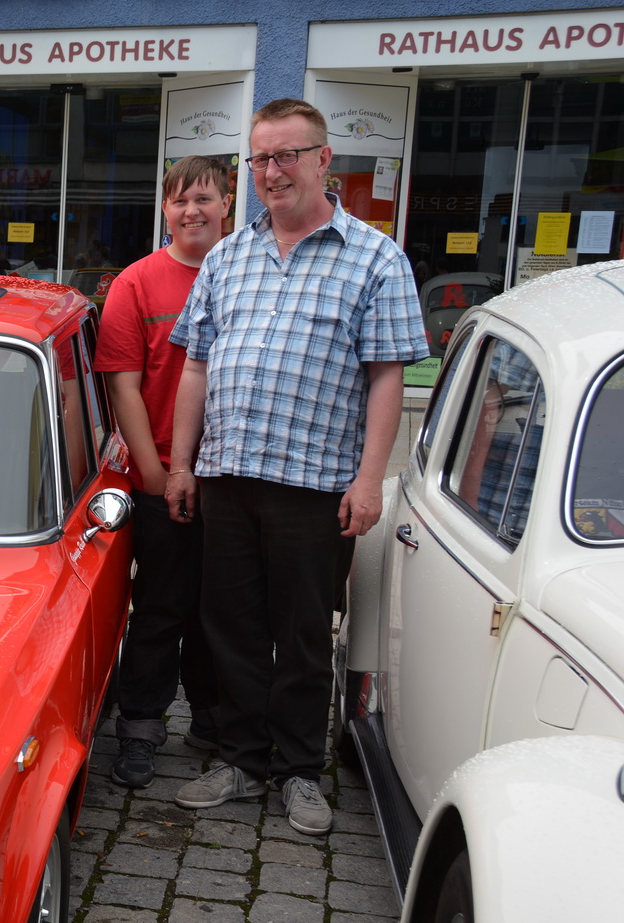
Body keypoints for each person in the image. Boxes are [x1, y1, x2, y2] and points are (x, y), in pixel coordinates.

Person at [164, 99, 426, 835]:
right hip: (228, 475)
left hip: (316, 486)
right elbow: (196, 366)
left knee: (307, 633)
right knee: (233, 627)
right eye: (260, 159)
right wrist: (182, 464)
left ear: (322, 159)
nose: (271, 173)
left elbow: (385, 378)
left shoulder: (374, 257)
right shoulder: (228, 256)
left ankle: (299, 769)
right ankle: (244, 759)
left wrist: (369, 478)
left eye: (286, 156)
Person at [94, 155, 232, 788]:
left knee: (224, 613)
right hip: (162, 473)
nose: (192, 211)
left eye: (203, 199)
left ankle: (216, 722)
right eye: (179, 201)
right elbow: (123, 385)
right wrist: (152, 471)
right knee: (158, 608)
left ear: (227, 204)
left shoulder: (249, 275)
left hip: (235, 475)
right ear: (164, 210)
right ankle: (142, 727)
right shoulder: (136, 284)